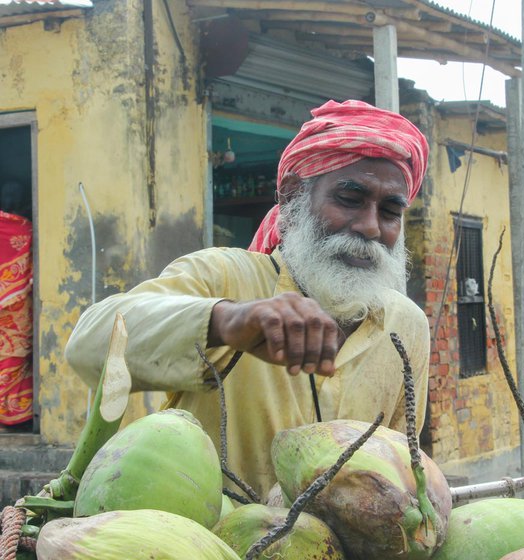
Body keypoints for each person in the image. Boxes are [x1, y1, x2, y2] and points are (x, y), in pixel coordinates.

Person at [65, 100, 431, 499]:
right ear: (293, 197)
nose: (370, 227)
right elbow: (89, 344)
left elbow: (399, 467)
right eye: (349, 198)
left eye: (390, 211)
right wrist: (227, 322)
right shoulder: (223, 277)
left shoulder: (406, 326)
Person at [0, 180, 34, 431]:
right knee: (13, 360)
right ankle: (12, 415)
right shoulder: (25, 229)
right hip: (16, 308)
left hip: (10, 307)